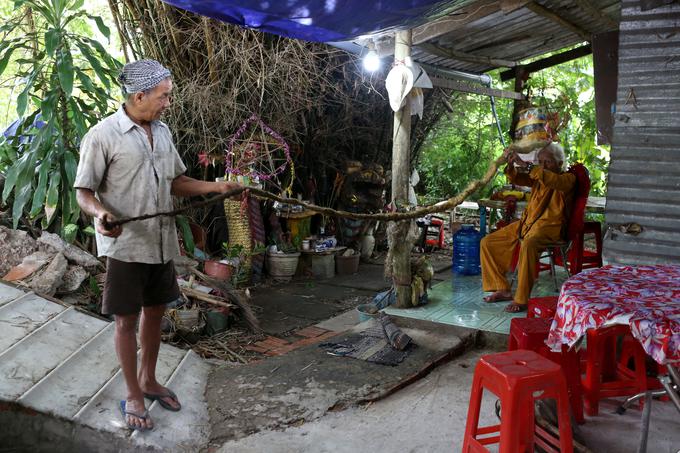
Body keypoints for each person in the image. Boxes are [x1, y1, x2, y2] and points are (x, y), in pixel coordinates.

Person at [75, 59, 241, 431]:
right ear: (140, 95)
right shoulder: (103, 135)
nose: (168, 102)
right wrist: (101, 214)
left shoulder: (162, 132)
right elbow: (84, 192)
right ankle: (133, 393)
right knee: (125, 320)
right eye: (164, 96)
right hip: (126, 246)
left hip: (160, 242)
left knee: (154, 313)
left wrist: (217, 187)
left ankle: (149, 380)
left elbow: (177, 182)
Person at [480, 142, 575, 313]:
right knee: (488, 242)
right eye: (541, 162)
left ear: (560, 164)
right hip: (527, 224)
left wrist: (525, 164)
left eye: (548, 162)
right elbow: (518, 178)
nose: (543, 166)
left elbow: (551, 179)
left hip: (548, 229)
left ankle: (522, 299)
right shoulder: (539, 178)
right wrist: (511, 164)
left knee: (529, 244)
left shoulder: (567, 179)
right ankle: (502, 288)